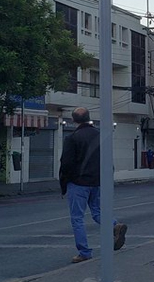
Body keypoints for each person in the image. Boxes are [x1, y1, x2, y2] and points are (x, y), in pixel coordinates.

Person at [59, 107, 127, 263]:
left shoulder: (72, 138)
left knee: (77, 218)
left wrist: (63, 184)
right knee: (97, 211)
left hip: (78, 183)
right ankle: (114, 225)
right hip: (97, 182)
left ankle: (84, 252)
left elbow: (66, 163)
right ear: (89, 118)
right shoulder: (100, 135)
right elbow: (108, 160)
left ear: (73, 120)